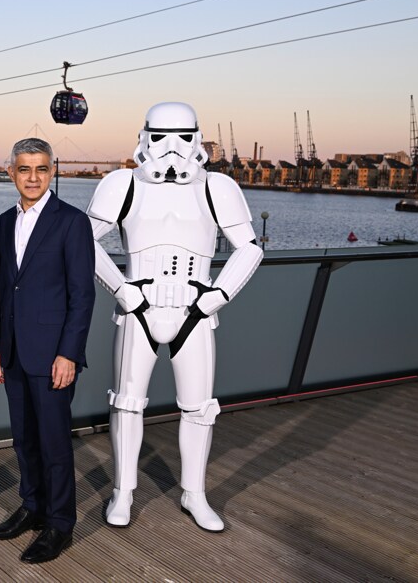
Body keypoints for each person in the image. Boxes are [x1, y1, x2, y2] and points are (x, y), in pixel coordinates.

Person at [86, 102, 263, 532]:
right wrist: (123, 289)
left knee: (200, 408)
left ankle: (195, 493)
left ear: (197, 138)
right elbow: (82, 240)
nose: (171, 148)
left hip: (196, 312)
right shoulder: (122, 183)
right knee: (126, 404)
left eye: (183, 136)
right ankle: (122, 492)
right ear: (145, 135)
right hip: (138, 310)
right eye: (162, 135)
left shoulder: (217, 187)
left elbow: (250, 247)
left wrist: (217, 296)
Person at [0, 138, 95, 564]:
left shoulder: (72, 222)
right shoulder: (4, 222)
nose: (33, 177)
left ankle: (60, 524)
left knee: (53, 444)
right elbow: (2, 288)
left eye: (41, 169)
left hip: (53, 355)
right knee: (23, 440)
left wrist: (69, 353)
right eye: (24, 169)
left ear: (53, 172)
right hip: (13, 351)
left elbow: (82, 295)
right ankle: (32, 508)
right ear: (11, 172)